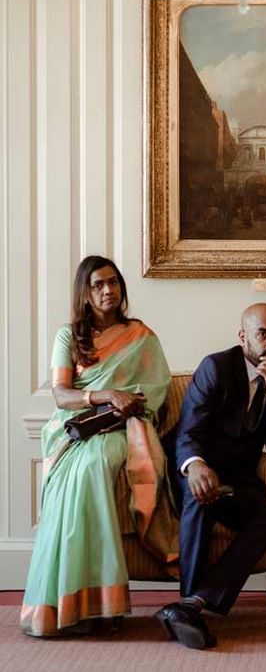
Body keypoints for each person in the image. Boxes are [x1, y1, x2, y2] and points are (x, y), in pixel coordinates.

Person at [21, 255, 173, 637]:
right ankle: (68, 604)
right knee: (74, 474)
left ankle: (101, 606)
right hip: (75, 429)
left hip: (124, 428)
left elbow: (155, 391)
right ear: (85, 294)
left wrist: (126, 403)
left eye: (113, 283)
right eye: (98, 285)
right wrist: (104, 394)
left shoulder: (141, 336)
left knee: (94, 466)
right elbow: (60, 394)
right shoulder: (68, 336)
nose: (108, 290)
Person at [156, 303, 266, 649]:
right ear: (243, 338)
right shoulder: (216, 367)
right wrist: (194, 465)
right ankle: (189, 605)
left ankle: (190, 607)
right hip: (195, 466)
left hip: (239, 477)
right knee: (201, 496)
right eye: (263, 333)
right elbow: (188, 431)